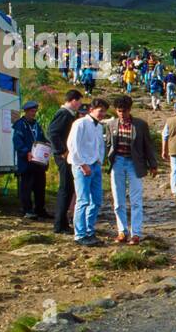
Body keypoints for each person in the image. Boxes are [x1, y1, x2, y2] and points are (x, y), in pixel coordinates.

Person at [103, 95, 159, 245]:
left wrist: (153, 164)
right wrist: (106, 161)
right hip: (118, 162)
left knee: (136, 199)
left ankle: (136, 233)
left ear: (130, 110)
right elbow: (108, 144)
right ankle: (122, 231)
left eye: (125, 111)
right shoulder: (111, 125)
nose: (122, 114)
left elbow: (148, 146)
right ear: (116, 110)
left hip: (135, 163)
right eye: (119, 111)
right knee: (118, 199)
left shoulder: (140, 125)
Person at [67, 97, 110, 246]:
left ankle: (90, 231)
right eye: (100, 111)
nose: (102, 114)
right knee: (83, 200)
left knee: (96, 200)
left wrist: (99, 160)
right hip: (82, 166)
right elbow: (72, 145)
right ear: (91, 110)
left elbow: (100, 145)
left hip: (94, 164)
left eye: (104, 111)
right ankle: (79, 234)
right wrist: (82, 164)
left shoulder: (99, 126)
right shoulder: (80, 123)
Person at [46, 90, 83, 234]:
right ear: (73, 100)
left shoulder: (69, 114)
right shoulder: (64, 113)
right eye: (79, 101)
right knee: (65, 189)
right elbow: (52, 132)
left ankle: (62, 222)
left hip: (67, 155)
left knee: (68, 189)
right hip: (63, 156)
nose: (79, 105)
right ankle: (59, 224)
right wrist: (61, 151)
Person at [12, 101, 51, 219]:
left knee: (40, 186)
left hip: (38, 162)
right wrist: (25, 152)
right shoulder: (20, 124)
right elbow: (17, 141)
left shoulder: (36, 124)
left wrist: (47, 144)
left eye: (35, 111)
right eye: (31, 111)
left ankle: (40, 209)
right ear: (26, 111)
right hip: (27, 161)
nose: (33, 114)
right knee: (27, 187)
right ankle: (27, 210)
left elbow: (41, 138)